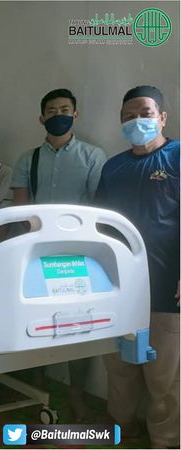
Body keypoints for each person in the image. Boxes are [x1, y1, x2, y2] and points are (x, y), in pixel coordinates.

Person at [11, 88, 108, 421]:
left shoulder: (93, 156)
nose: (58, 115)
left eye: (65, 109)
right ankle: (37, 387)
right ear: (41, 118)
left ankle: (77, 395)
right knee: (35, 322)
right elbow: (20, 209)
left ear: (75, 114)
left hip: (77, 258)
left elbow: (97, 209)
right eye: (51, 111)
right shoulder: (27, 159)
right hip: (36, 254)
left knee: (80, 324)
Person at [95, 85, 179, 448]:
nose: (137, 121)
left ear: (162, 117)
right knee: (119, 365)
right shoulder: (113, 168)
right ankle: (121, 425)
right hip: (118, 288)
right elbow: (99, 226)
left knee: (165, 374)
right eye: (129, 116)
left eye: (145, 113)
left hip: (166, 286)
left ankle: (166, 439)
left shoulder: (177, 157)